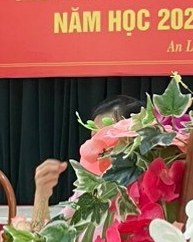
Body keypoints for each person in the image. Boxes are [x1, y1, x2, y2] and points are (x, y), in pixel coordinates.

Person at [32, 94, 141, 227]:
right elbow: (47, 236)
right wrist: (41, 196)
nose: (99, 147)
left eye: (107, 136)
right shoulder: (89, 189)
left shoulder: (146, 189)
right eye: (94, 138)